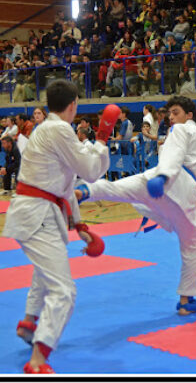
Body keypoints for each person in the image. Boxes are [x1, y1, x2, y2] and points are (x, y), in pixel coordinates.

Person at [75, 95, 196, 316]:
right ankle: (186, 300)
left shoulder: (181, 130)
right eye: (170, 113)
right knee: (191, 246)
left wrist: (164, 176)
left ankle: (82, 191)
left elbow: (174, 156)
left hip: (163, 180)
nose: (171, 117)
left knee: (116, 189)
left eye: (176, 112)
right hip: (180, 190)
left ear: (189, 116)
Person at [2, 79, 120, 374]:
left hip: (42, 213)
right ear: (73, 105)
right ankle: (39, 360)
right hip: (37, 216)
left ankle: (29, 322)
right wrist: (103, 138)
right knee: (64, 291)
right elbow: (91, 172)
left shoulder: (48, 131)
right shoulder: (58, 130)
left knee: (46, 273)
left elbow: (65, 182)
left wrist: (78, 223)